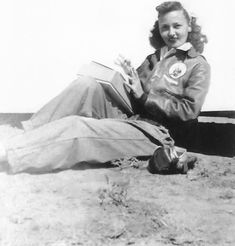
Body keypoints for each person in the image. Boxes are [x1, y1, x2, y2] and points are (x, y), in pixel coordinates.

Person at [0, 1, 210, 174]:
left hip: (156, 133)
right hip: (134, 117)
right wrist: (129, 78)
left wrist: (145, 96)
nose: (170, 32)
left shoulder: (197, 64)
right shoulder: (155, 57)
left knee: (78, 127)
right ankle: (27, 132)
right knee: (87, 85)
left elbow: (188, 111)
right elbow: (135, 94)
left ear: (189, 26)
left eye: (177, 26)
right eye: (165, 27)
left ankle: (13, 152)